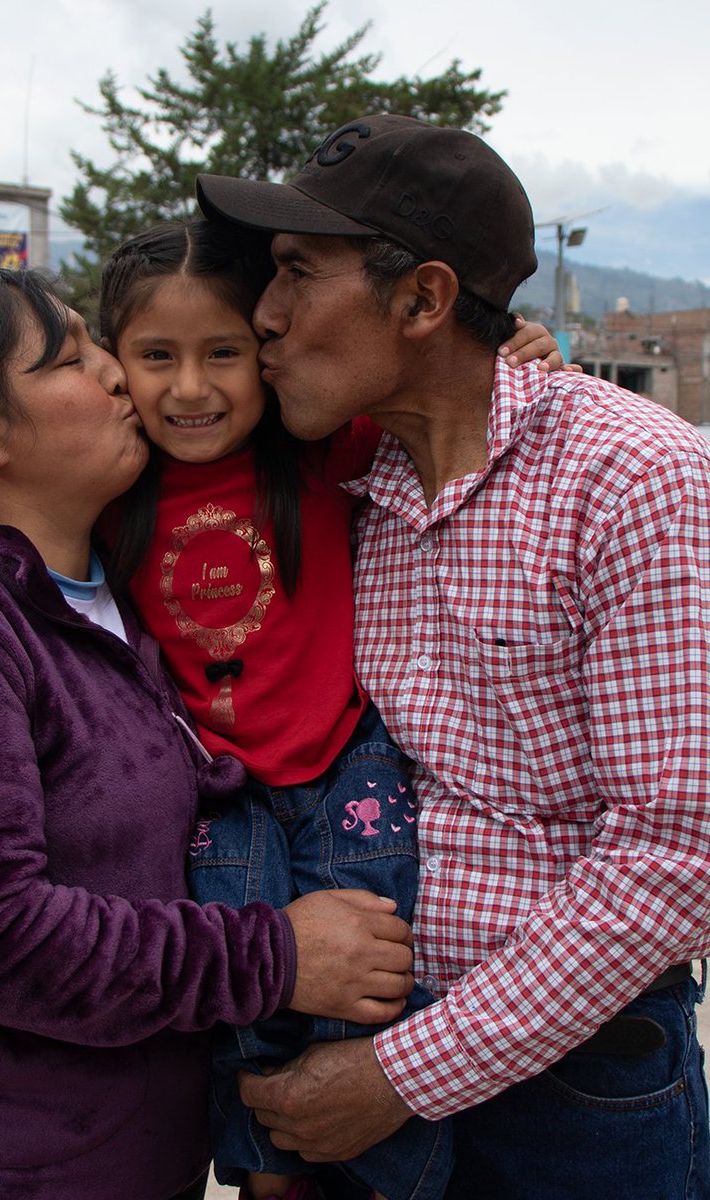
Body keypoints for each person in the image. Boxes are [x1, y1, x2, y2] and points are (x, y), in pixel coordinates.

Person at [0, 227, 564, 1200]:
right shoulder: (118, 490)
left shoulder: (324, 452)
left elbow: (445, 402)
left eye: (224, 355)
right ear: (119, 364)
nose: (189, 390)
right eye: (152, 357)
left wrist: (518, 359)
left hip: (345, 773)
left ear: (265, 352)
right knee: (250, 1029)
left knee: (376, 983)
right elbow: (5, 486)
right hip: (221, 792)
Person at [0, 266, 420, 1200]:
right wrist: (276, 958)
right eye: (74, 358)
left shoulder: (106, 583)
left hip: (140, 1156)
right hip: (10, 1168)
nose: (122, 375)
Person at [193, 113, 710, 1199]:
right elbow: (99, 423)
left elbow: (678, 853)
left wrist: (400, 1076)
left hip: (573, 1085)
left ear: (424, 300)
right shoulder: (346, 482)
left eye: (296, 274)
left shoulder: (632, 477)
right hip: (347, 1043)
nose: (266, 317)